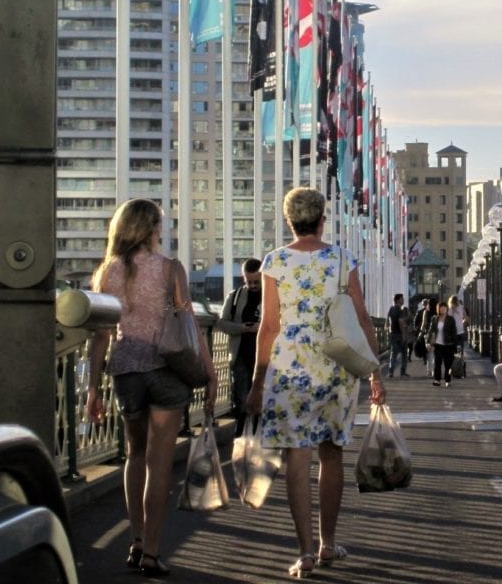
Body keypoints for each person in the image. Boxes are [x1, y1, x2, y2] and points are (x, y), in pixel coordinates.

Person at [245, 187, 386, 579]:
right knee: (331, 454)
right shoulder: (342, 259)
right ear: (323, 219)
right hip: (335, 367)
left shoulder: (274, 262)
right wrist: (374, 372)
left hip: (289, 368)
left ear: (289, 221)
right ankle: (327, 543)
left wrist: (258, 382)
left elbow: (269, 327)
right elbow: (361, 319)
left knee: (297, 454)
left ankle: (304, 551)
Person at [86, 198, 217, 578]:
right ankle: (152, 553)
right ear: (151, 228)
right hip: (166, 368)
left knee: (135, 456)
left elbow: (100, 336)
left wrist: (93, 388)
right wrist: (208, 374)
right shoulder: (170, 268)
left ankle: (136, 541)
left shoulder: (107, 271)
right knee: (160, 465)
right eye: (160, 224)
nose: (163, 230)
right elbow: (189, 326)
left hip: (126, 369)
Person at [216, 257, 262, 437]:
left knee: (263, 400)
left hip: (265, 359)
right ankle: (241, 435)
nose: (252, 285)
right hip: (240, 355)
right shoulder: (234, 297)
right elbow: (222, 323)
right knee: (241, 398)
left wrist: (262, 327)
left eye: (256, 281)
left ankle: (259, 437)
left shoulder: (273, 296)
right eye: (248, 281)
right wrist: (242, 328)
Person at [427, 299, 458, 387]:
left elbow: (454, 332)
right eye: (441, 308)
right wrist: (428, 342)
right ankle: (437, 380)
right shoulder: (435, 319)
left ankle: (448, 380)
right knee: (437, 363)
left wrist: (456, 345)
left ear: (447, 309)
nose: (443, 309)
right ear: (438, 309)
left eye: (444, 308)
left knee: (448, 363)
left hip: (449, 344)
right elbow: (430, 331)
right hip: (438, 344)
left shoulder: (450, 319)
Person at [386, 293, 409, 378]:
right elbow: (401, 322)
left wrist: (389, 330)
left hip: (392, 334)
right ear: (398, 300)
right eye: (402, 299)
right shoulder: (399, 310)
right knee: (404, 354)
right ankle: (402, 372)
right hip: (399, 334)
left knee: (393, 353)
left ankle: (390, 372)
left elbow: (387, 321)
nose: (403, 300)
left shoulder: (391, 309)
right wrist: (403, 334)